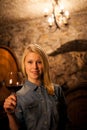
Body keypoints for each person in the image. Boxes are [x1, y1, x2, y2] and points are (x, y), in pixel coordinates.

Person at [3, 43, 70, 130]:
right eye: (30, 62)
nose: (35, 67)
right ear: (24, 65)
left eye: (39, 62)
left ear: (44, 64)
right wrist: (10, 114)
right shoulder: (18, 96)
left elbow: (65, 122)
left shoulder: (57, 90)